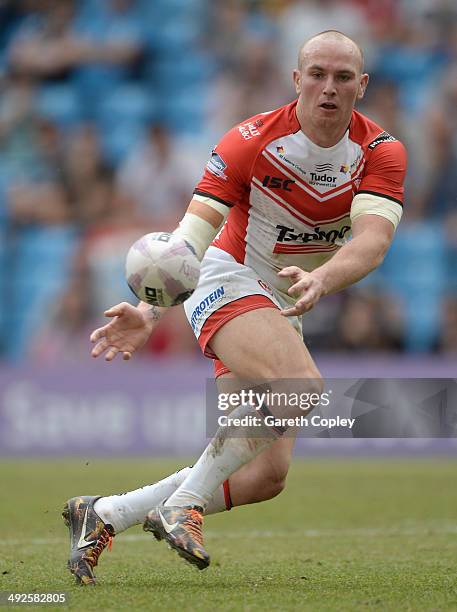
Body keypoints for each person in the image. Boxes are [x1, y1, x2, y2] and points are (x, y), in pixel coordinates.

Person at [62, 30, 407, 584]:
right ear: (296, 79)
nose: (328, 87)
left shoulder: (379, 152)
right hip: (225, 279)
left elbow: (372, 241)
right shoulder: (249, 141)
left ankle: (104, 513)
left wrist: (321, 278)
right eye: (316, 73)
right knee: (302, 389)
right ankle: (185, 504)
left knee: (266, 476)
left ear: (361, 87)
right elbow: (191, 240)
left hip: (283, 306)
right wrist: (149, 311)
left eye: (343, 77)